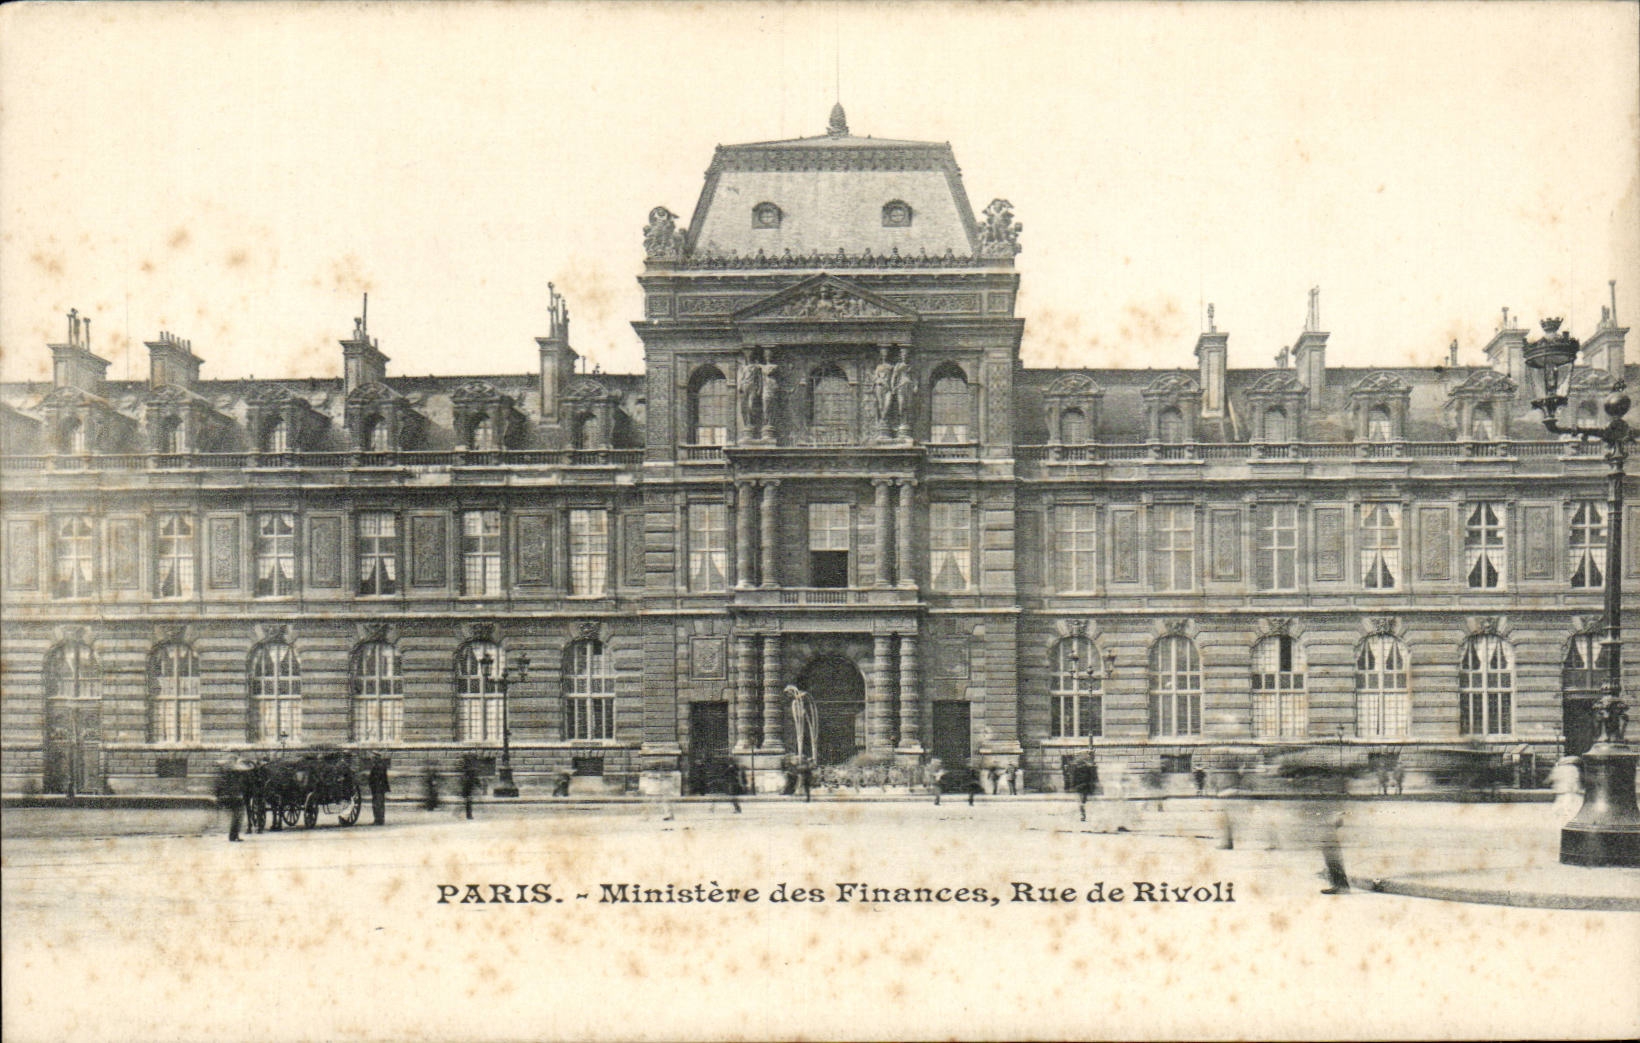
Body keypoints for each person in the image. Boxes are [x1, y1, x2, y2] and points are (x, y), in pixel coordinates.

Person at [216, 759, 248, 842]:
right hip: (237, 798)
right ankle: (234, 835)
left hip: (231, 797)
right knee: (238, 817)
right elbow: (240, 788)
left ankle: (233, 836)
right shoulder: (236, 779)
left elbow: (219, 787)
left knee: (236, 817)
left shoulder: (225, 777)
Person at [368, 755, 390, 826]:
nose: (372, 760)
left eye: (373, 759)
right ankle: (379, 819)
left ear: (376, 759)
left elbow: (377, 778)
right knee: (378, 804)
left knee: (378, 804)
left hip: (378, 788)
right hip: (378, 788)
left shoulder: (378, 766)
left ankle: (379, 820)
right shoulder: (380, 766)